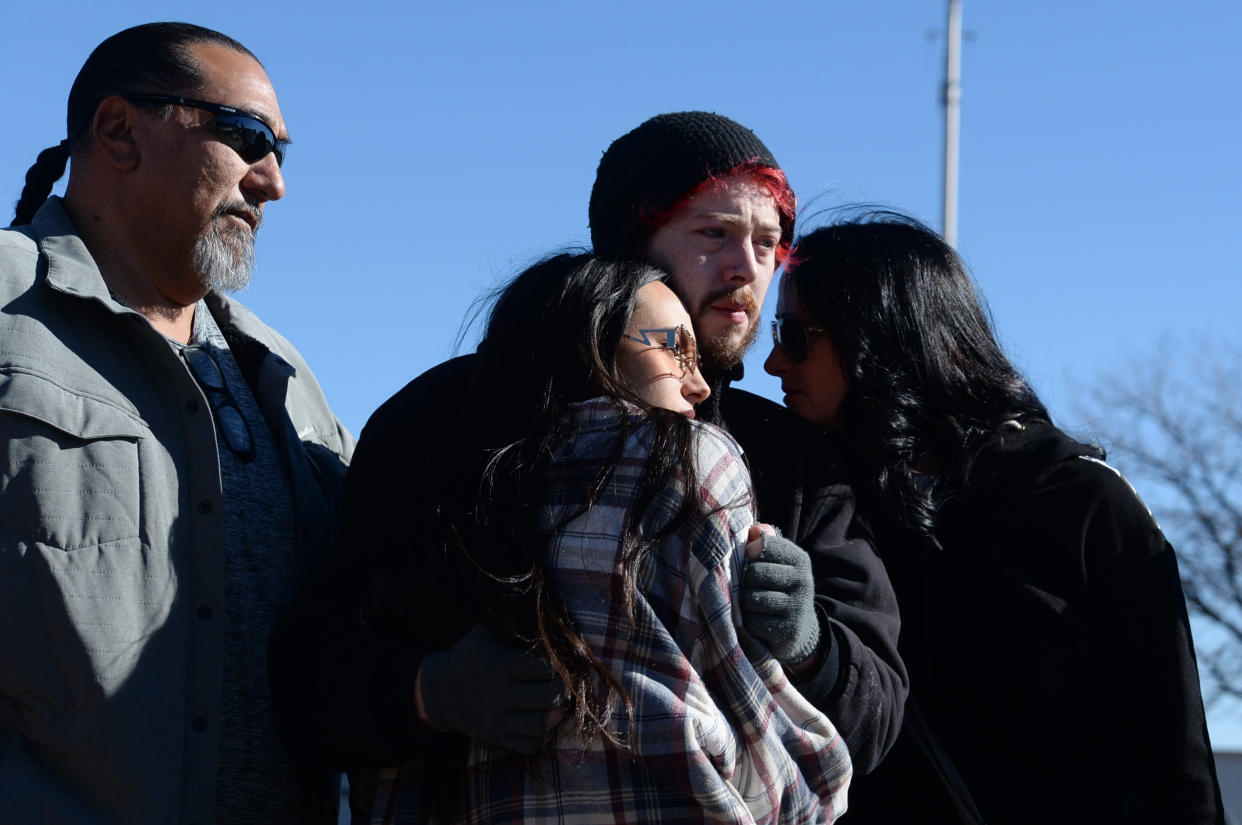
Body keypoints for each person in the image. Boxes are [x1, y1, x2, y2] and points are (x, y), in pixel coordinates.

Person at [270, 112, 904, 804]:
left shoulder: (792, 460)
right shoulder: (444, 420)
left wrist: (813, 646)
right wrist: (428, 689)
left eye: (768, 242)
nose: (746, 267)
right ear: (630, 247)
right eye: (713, 233)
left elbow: (878, 718)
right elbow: (306, 676)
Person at [763, 212, 1225, 824]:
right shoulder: (813, 507)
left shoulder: (1081, 501)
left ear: (879, 336)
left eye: (795, 334)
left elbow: (1177, 760)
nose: (772, 363)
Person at [0, 23, 352, 824]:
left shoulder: (292, 382)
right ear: (120, 129)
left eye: (282, 153)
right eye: (246, 137)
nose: (272, 182)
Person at [367, 252, 852, 822]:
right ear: (591, 348)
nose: (699, 387)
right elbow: (756, 731)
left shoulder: (464, 486)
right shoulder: (691, 460)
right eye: (677, 351)